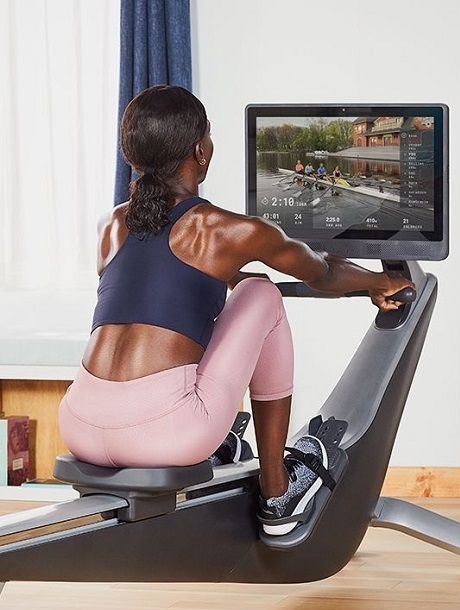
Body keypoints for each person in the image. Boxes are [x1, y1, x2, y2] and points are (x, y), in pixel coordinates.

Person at [58, 85, 415, 538]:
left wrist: (235, 279)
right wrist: (378, 282)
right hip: (163, 435)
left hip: (80, 427)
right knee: (262, 293)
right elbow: (322, 273)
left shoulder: (111, 226)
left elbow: (159, 293)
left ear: (133, 156)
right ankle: (278, 491)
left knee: (241, 289)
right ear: (200, 151)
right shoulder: (228, 231)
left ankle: (224, 446)